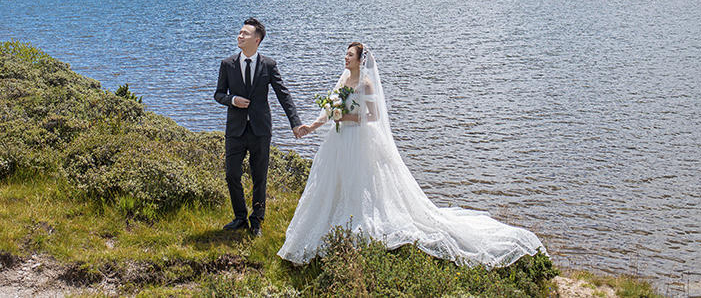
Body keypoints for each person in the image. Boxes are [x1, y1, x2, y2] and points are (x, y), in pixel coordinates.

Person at [278, 42, 546, 266]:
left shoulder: (367, 84)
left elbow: (373, 116)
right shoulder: (345, 78)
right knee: (331, 184)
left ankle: (357, 225)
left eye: (350, 54)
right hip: (340, 141)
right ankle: (330, 226)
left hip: (360, 141)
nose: (345, 58)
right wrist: (311, 126)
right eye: (345, 54)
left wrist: (345, 115)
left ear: (361, 60)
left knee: (363, 184)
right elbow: (329, 108)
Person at [214, 17, 309, 237]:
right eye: (239, 33)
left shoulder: (268, 65)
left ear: (257, 40)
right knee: (231, 174)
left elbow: (283, 94)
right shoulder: (227, 64)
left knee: (260, 177)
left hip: (260, 130)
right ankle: (239, 216)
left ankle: (256, 220)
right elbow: (218, 94)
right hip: (235, 130)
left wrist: (295, 122)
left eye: (245, 34)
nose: (240, 36)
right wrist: (232, 100)